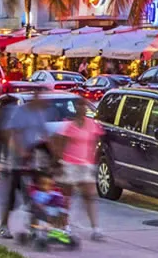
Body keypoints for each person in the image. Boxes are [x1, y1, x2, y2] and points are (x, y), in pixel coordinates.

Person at [0, 91, 55, 238]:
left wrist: (53, 156)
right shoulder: (20, 112)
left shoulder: (40, 114)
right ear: (35, 98)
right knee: (12, 197)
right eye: (41, 99)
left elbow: (45, 135)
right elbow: (12, 134)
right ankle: (4, 226)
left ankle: (33, 227)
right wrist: (21, 151)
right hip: (17, 161)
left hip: (32, 160)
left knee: (35, 195)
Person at [52, 98, 105, 239]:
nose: (81, 109)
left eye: (83, 106)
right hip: (70, 164)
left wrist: (93, 159)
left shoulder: (91, 124)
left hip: (85, 164)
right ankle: (65, 225)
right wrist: (59, 162)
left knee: (89, 196)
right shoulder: (69, 126)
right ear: (76, 109)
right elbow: (61, 144)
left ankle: (96, 229)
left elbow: (96, 142)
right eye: (79, 107)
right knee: (66, 197)